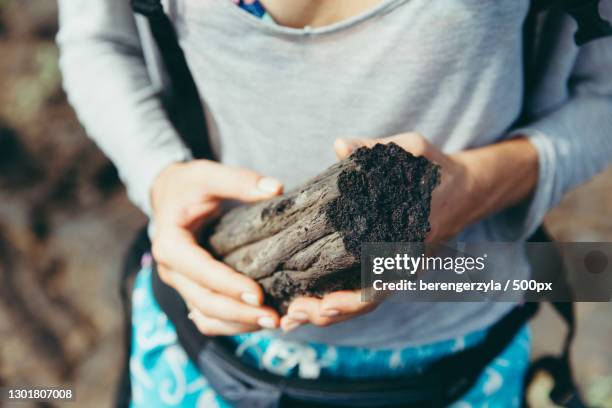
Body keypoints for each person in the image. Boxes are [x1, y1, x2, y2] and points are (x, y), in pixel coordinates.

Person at [57, 0, 612, 406]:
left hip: (464, 337)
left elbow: (603, 92)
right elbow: (97, 37)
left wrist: (474, 185)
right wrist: (160, 175)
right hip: (204, 337)